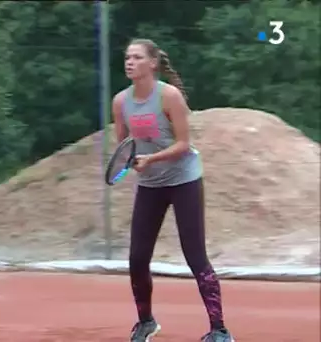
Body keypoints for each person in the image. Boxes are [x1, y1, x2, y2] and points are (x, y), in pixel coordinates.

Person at [112, 38, 236, 342]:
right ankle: (146, 322)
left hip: (184, 180)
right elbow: (124, 146)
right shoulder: (120, 102)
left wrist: (151, 158)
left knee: (195, 256)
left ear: (152, 63)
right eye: (127, 57)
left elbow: (183, 145)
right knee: (137, 258)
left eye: (137, 57)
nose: (130, 62)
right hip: (151, 184)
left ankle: (219, 330)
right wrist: (132, 161)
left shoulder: (169, 97)